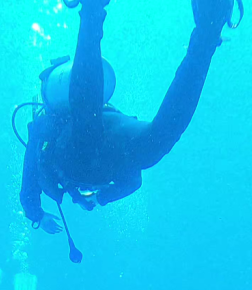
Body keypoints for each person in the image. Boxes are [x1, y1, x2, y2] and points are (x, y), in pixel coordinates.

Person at [19, 0, 237, 239]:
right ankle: (207, 33)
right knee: (156, 140)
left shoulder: (43, 133)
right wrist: (99, 197)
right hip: (112, 133)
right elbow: (134, 182)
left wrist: (39, 216)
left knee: (96, 129)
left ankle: (94, 9)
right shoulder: (49, 136)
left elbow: (28, 191)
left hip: (87, 144)